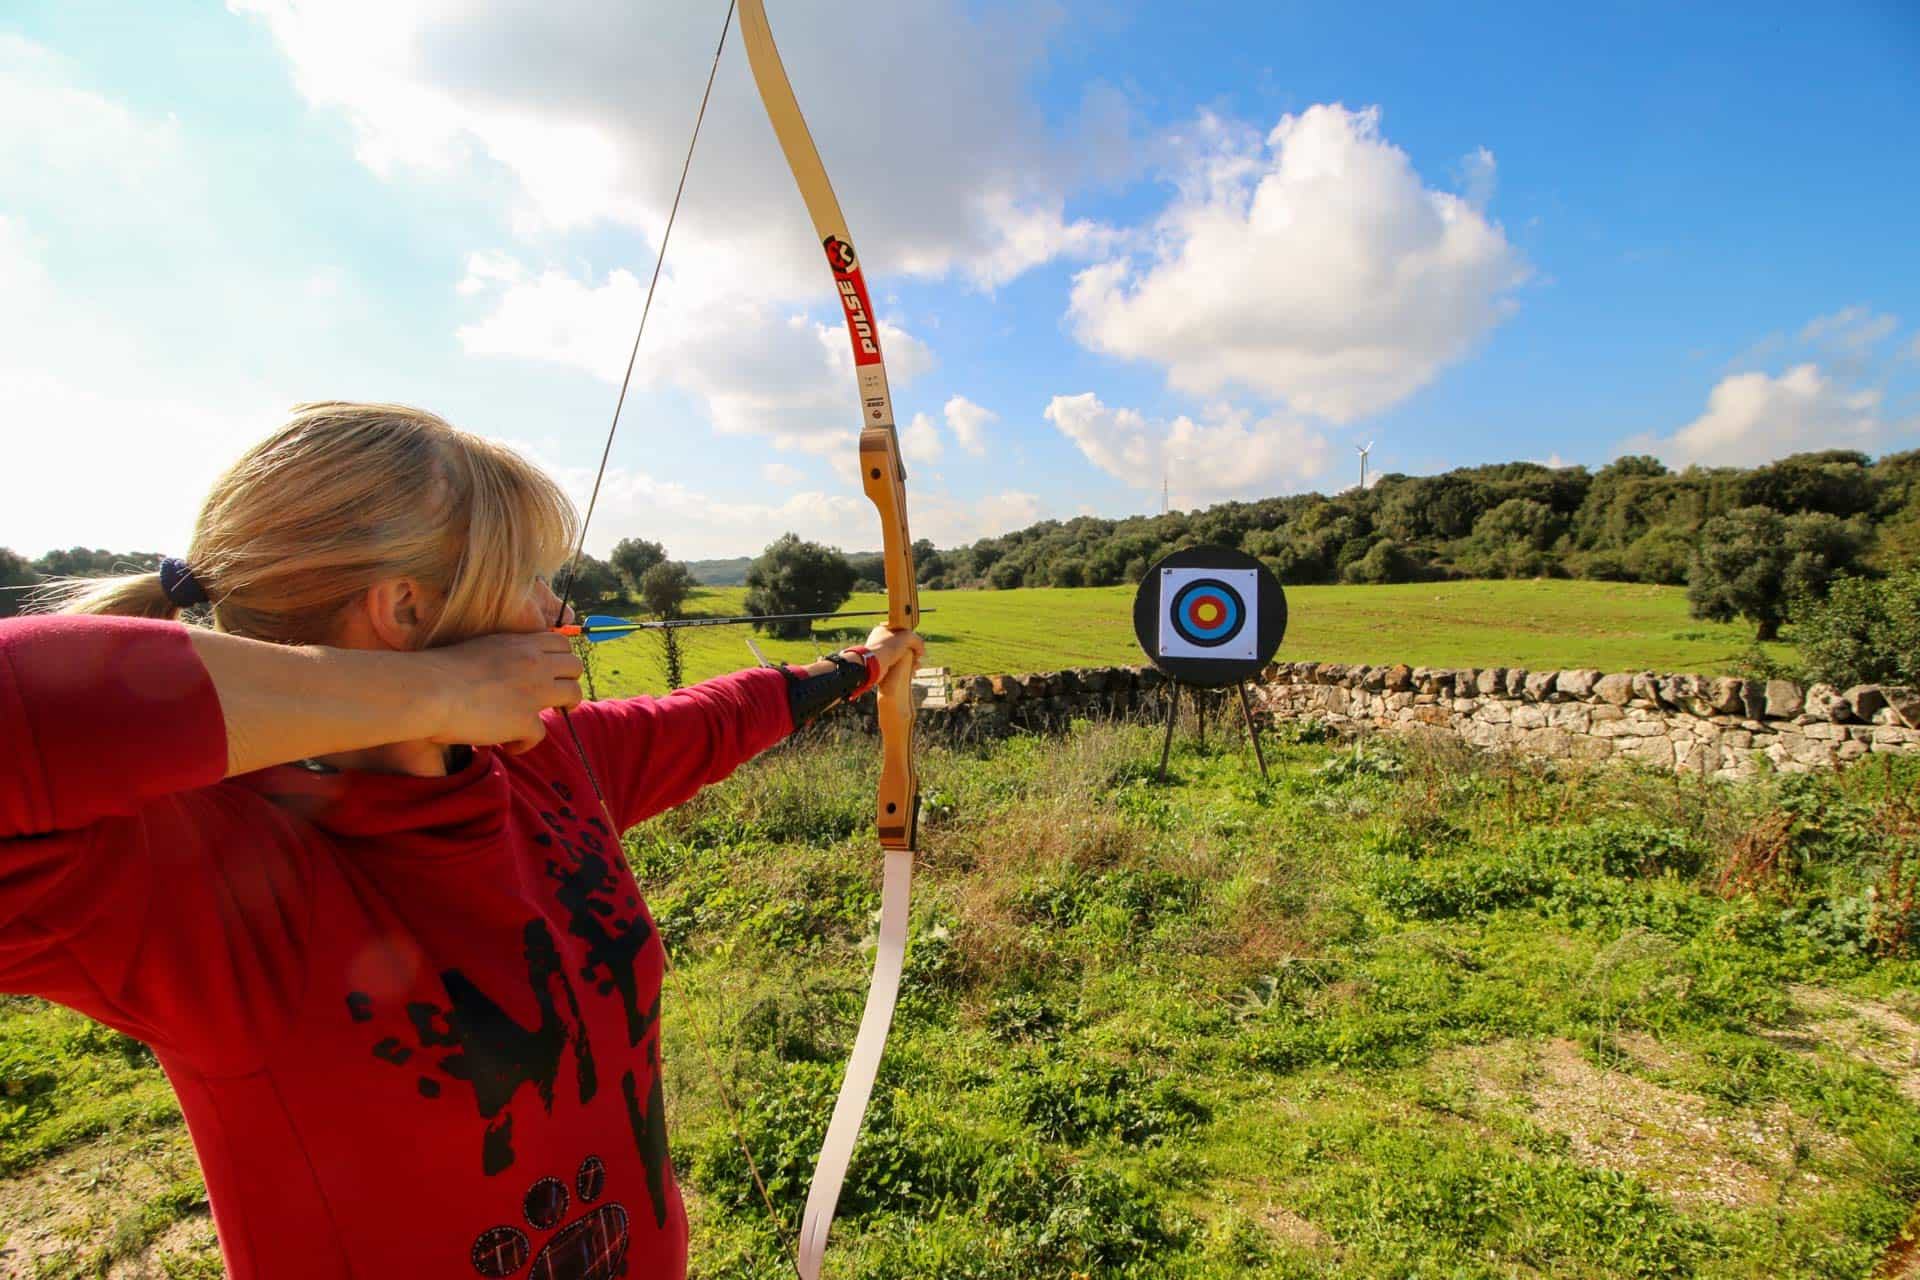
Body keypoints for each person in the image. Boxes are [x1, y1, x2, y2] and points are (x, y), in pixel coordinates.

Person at [0, 401, 922, 1279]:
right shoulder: (196, 881)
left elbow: (715, 717)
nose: (556, 610)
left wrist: (858, 666)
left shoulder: (547, 764)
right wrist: (429, 696)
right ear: (406, 612)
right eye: (528, 576)